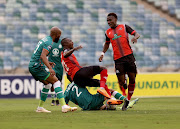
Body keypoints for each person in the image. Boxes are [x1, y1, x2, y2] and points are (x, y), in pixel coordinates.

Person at [28, 27, 77, 113]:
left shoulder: (45, 39)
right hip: (37, 66)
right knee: (56, 81)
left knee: (47, 85)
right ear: (57, 35)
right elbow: (43, 56)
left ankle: (40, 108)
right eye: (59, 35)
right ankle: (64, 106)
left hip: (33, 65)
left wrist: (47, 62)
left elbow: (39, 54)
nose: (60, 37)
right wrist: (50, 69)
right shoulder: (49, 42)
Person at [99, 13, 140, 110]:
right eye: (107, 21)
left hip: (129, 57)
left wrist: (135, 37)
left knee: (132, 79)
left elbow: (136, 33)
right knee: (121, 82)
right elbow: (107, 44)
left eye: (110, 20)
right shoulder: (107, 32)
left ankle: (128, 100)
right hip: (118, 60)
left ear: (116, 19)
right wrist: (102, 53)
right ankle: (124, 79)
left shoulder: (124, 27)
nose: (109, 22)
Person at [64, 82, 137, 110]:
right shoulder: (78, 81)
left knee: (100, 106)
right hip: (92, 100)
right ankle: (126, 101)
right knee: (109, 91)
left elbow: (65, 106)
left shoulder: (66, 93)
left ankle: (107, 105)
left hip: (85, 107)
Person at [48, 39, 63, 106]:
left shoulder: (61, 43)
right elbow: (45, 53)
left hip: (59, 66)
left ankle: (57, 100)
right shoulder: (49, 43)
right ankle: (53, 99)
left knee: (59, 82)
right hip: (52, 66)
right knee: (53, 82)